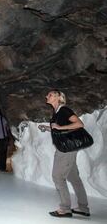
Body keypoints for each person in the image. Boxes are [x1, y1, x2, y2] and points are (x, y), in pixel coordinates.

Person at [38, 89, 90, 218]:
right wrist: (48, 127)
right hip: (66, 149)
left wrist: (59, 128)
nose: (47, 96)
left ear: (58, 97)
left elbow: (79, 124)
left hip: (66, 150)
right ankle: (83, 208)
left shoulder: (64, 110)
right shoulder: (57, 112)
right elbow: (59, 126)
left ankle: (65, 208)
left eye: (50, 95)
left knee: (57, 177)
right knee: (74, 178)